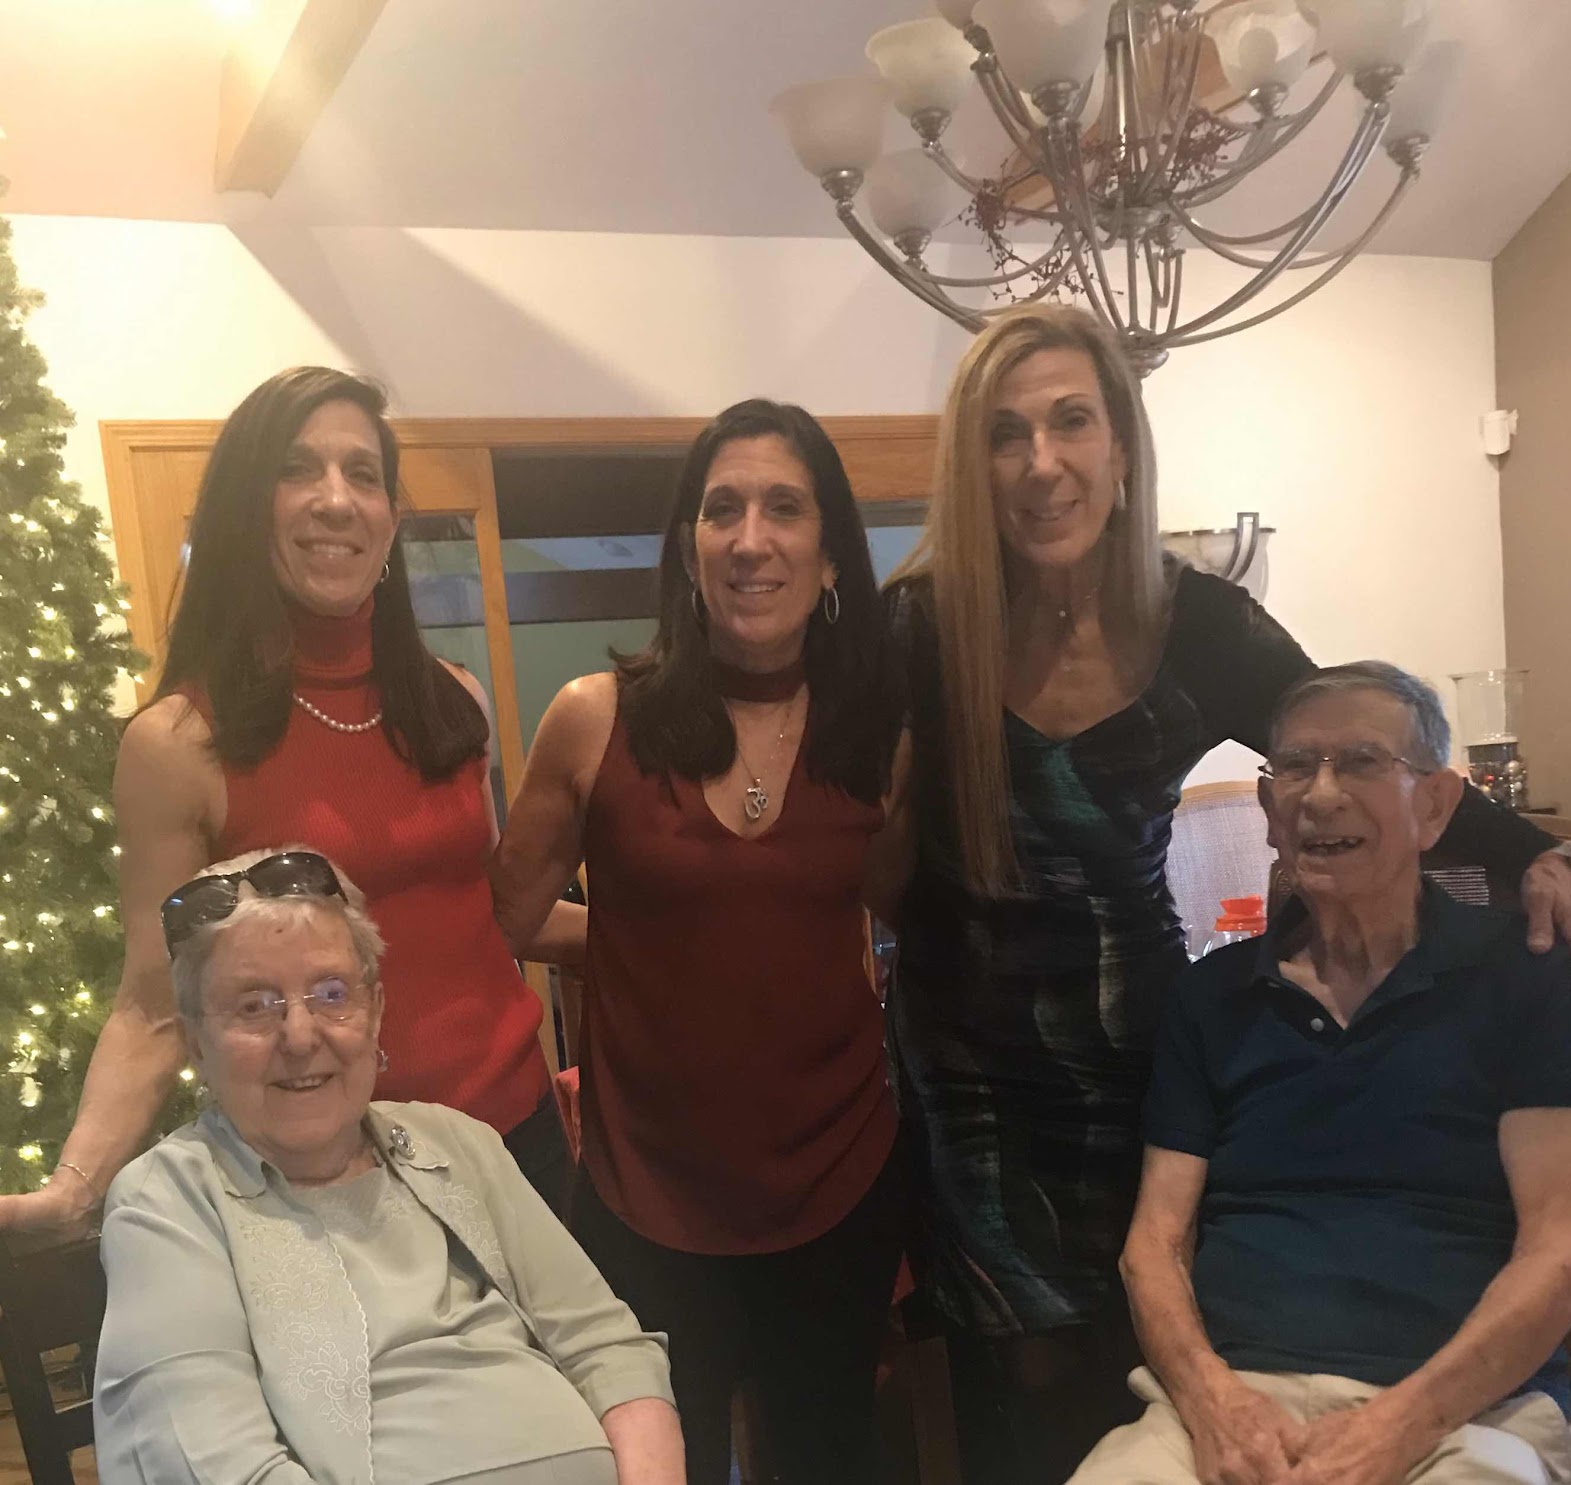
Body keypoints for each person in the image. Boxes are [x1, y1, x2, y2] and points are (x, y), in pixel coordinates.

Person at [883, 304, 1571, 1485]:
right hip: (970, 1068)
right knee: (1016, 1381)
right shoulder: (920, 625)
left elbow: (1353, 749)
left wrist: (1542, 856)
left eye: (1072, 423)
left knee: (1149, 1335)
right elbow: (825, 797)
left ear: (1122, 447)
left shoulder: (1195, 622)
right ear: (975, 463)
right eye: (1006, 434)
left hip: (1133, 1038)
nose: (1041, 462)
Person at [0, 367, 580, 1237]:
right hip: (334, 1182)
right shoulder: (179, 743)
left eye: (363, 474)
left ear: (389, 520)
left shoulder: (454, 699)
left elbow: (485, 914)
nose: (335, 499)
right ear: (247, 507)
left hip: (519, 1144)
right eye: (298, 468)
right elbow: (153, 1004)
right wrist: (74, 1189)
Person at [489, 398, 912, 1485]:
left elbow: (905, 917)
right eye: (722, 509)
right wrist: (637, 937)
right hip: (647, 1207)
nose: (750, 538)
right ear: (688, 548)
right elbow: (509, 918)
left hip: (840, 1193)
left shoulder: (881, 733)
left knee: (829, 1466)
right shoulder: (593, 718)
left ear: (830, 555)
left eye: (784, 508)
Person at [1076, 662, 1571, 1485]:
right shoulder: (1211, 996)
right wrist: (1215, 1403)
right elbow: (1155, 1245)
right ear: (1269, 808)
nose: (1320, 795)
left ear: (1436, 805)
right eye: (1295, 766)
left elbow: (1562, 1253)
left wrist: (1397, 1426)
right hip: (1232, 1405)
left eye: (1361, 762)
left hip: (1469, 1413)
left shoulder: (1525, 975)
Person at [94, 846, 684, 1485]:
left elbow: (610, 1352)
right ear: (195, 1043)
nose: (300, 1036)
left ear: (375, 1010)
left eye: (331, 994)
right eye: (254, 1006)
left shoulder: (458, 1143)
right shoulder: (169, 1200)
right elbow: (213, 1467)